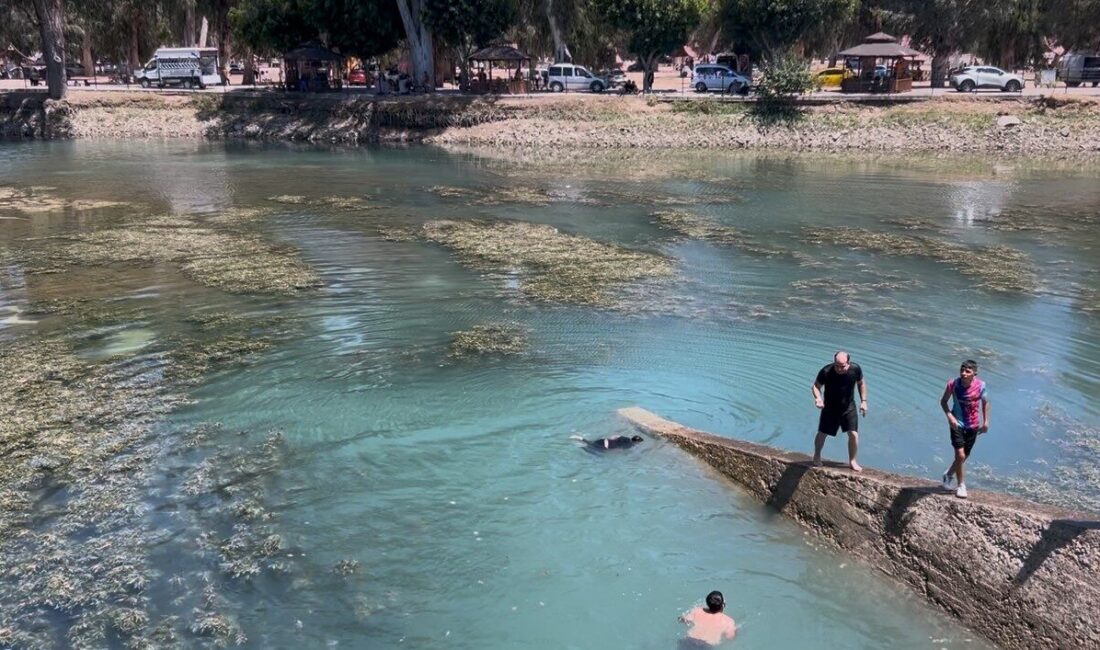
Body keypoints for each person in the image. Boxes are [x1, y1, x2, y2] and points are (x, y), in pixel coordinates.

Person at [940, 359, 990, 499]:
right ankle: (961, 485)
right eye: (962, 370)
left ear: (974, 374)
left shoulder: (981, 386)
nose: (963, 373)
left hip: (973, 425)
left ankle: (948, 474)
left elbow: (985, 403)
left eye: (967, 371)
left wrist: (986, 422)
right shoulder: (953, 384)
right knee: (960, 455)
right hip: (956, 423)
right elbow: (943, 402)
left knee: (965, 455)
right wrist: (950, 416)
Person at [811, 351, 868, 471]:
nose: (839, 369)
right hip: (830, 408)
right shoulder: (826, 371)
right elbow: (816, 386)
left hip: (848, 407)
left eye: (842, 366)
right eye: (836, 366)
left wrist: (863, 401)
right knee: (822, 433)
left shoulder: (855, 369)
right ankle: (816, 456)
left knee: (853, 434)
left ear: (848, 363)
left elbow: (861, 383)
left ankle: (852, 461)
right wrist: (818, 398)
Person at [571, 434, 643, 451]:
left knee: (590, 443)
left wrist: (610, 439)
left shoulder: (626, 438)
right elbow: (618, 450)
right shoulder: (630, 445)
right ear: (636, 442)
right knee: (590, 449)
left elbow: (615, 436)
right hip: (605, 447)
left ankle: (579, 438)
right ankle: (580, 443)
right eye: (639, 442)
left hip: (604, 440)